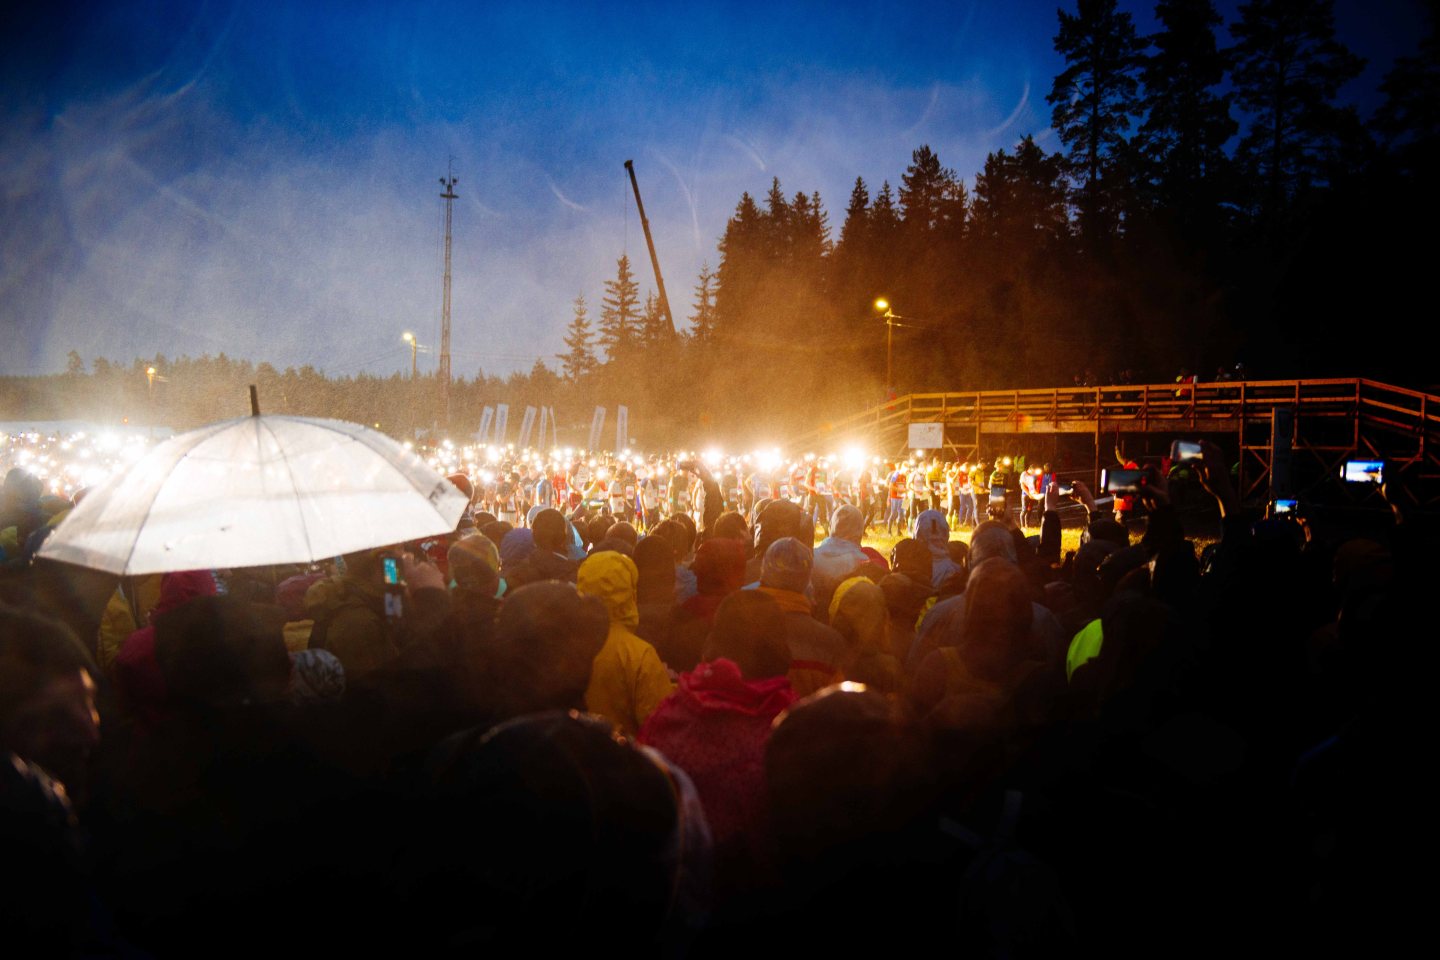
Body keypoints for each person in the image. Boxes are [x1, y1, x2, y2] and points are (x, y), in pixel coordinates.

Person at [575, 550, 674, 736]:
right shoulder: (638, 654)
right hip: (622, 760)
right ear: (629, 592)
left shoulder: (563, 644)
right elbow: (661, 729)